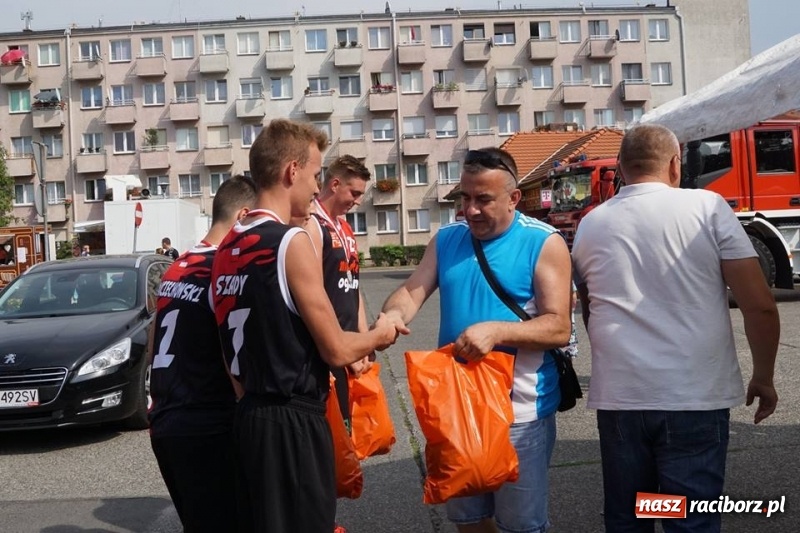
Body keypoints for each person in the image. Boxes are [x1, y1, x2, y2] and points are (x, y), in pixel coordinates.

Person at [571, 124, 780, 533]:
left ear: (622, 168)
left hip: (621, 396)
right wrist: (764, 377)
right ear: (674, 164)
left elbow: (590, 308)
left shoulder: (591, 224)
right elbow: (759, 306)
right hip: (693, 395)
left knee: (631, 515)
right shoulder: (707, 207)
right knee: (689, 519)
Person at [211, 119, 399, 533]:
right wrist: (380, 335)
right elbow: (336, 350)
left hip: (249, 415)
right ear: (291, 171)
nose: (317, 188)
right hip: (293, 417)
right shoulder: (289, 241)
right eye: (315, 175)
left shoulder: (227, 246)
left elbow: (226, 349)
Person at [381, 147, 573, 533]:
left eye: (483, 199)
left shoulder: (543, 242)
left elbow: (558, 327)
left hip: (520, 414)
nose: (470, 210)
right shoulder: (447, 239)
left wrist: (497, 331)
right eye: (464, 198)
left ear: (513, 198)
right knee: (469, 520)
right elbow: (411, 292)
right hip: (457, 409)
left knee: (521, 526)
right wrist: (391, 316)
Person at [148, 175, 257, 533]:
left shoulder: (177, 267)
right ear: (242, 216)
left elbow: (153, 337)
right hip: (207, 422)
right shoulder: (222, 269)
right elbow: (232, 352)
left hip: (167, 420)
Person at [304, 155, 372, 432]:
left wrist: (365, 341)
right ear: (334, 185)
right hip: (327, 347)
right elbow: (312, 293)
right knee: (333, 434)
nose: (358, 201)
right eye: (354, 193)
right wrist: (343, 347)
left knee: (352, 432)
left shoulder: (345, 227)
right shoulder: (311, 223)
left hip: (350, 344)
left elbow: (353, 284)